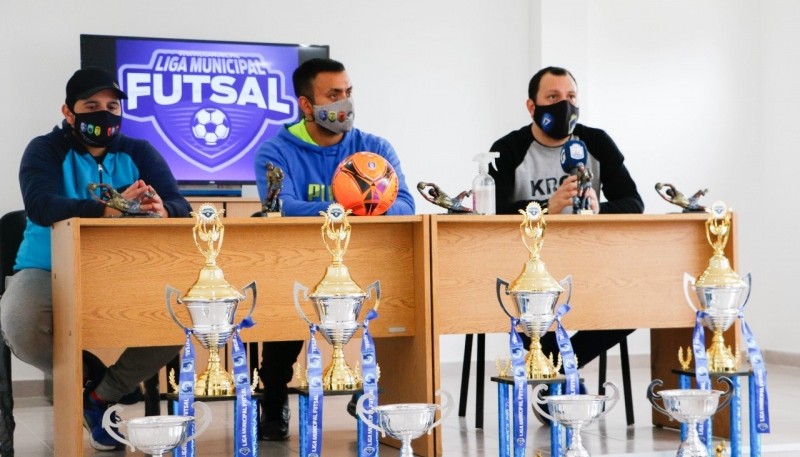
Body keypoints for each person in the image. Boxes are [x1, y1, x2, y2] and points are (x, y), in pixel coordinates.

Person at [0, 67, 192, 450]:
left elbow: (179, 204)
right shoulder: (45, 149)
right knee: (19, 322)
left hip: (123, 269)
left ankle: (99, 398)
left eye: (112, 106)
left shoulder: (139, 151)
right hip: (47, 266)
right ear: (69, 112)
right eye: (91, 105)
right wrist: (108, 209)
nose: (104, 114)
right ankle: (93, 376)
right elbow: (41, 205)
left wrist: (161, 208)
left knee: (180, 318)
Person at [253, 58, 415, 440]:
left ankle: (373, 394)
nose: (345, 103)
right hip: (301, 262)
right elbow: (282, 207)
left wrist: (352, 212)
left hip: (366, 261)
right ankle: (273, 399)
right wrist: (351, 207)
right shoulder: (275, 151)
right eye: (333, 95)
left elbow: (405, 204)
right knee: (283, 311)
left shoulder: (374, 147)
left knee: (403, 304)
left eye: (348, 93)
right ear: (306, 105)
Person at [489, 66, 644, 394]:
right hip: (525, 274)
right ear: (532, 107)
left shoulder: (596, 143)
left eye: (571, 97)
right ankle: (563, 381)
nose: (564, 105)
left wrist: (599, 209)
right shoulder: (508, 149)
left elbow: (633, 202)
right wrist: (547, 209)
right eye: (553, 97)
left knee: (634, 302)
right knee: (525, 305)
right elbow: (491, 212)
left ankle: (559, 366)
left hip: (588, 264)